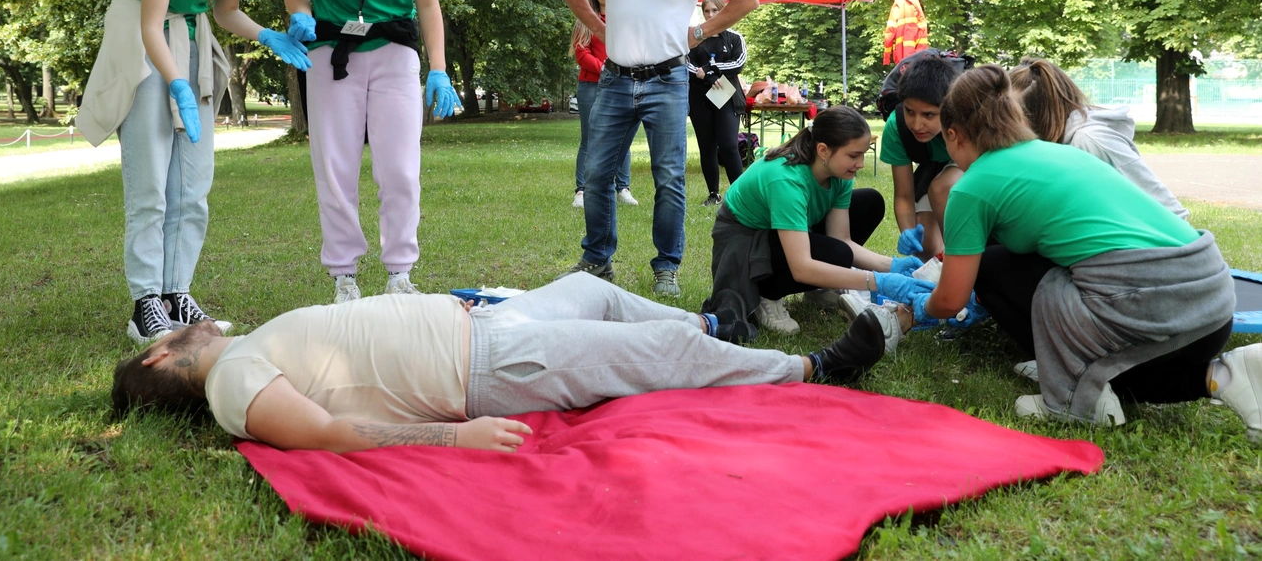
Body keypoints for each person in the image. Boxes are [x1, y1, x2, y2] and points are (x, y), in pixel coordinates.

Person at [110, 273, 891, 451]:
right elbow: (324, 434)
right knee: (663, 353)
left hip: (484, 324)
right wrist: (456, 439)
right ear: (163, 353)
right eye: (183, 324)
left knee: (594, 289)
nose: (197, 317)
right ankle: (815, 371)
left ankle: (712, 326)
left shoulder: (238, 351)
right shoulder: (231, 383)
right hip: (489, 365)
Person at [912, 65, 1259, 439]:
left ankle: (1073, 393)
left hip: (1156, 311)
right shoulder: (1059, 152)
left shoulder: (972, 186)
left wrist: (917, 307)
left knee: (994, 271)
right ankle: (1228, 375)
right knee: (1117, 379)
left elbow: (950, 299)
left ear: (952, 134)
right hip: (1211, 301)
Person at [78, 0, 312, 345]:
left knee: (193, 183)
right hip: (140, 36)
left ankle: (176, 295)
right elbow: (149, 23)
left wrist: (268, 35)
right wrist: (175, 82)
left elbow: (227, 13)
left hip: (190, 34)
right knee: (151, 184)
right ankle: (146, 303)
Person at [556, 0, 759, 297]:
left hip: (668, 79)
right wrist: (598, 25)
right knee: (596, 174)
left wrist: (701, 32)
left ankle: (667, 265)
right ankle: (597, 260)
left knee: (669, 178)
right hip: (614, 79)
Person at [284, 0, 461, 304]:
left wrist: (438, 69)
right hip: (331, 52)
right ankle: (344, 275)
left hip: (393, 51)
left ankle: (400, 272)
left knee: (401, 169)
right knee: (335, 166)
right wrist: (299, 15)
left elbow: (427, 3)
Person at [703, 106, 932, 339]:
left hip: (779, 234)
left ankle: (818, 289)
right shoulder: (786, 179)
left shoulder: (837, 172)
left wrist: (892, 266)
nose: (861, 163)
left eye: (863, 154)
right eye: (854, 155)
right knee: (838, 255)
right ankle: (766, 293)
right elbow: (802, 267)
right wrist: (878, 282)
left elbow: (841, 239)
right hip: (746, 243)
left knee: (869, 203)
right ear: (823, 150)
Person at [1008, 58, 1188, 219]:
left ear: (1040, 115)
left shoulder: (1090, 140)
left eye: (1012, 114)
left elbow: (1169, 210)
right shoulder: (1054, 146)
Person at [879, 55, 964, 259]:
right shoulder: (896, 126)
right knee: (924, 244)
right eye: (910, 111)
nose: (916, 125)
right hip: (933, 165)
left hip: (969, 162)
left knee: (941, 188)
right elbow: (904, 195)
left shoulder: (967, 119)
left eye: (929, 115)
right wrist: (908, 232)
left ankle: (959, 262)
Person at [570, 0, 637, 209]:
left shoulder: (625, 20)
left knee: (623, 138)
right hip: (591, 86)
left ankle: (623, 188)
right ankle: (582, 190)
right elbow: (581, 53)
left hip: (622, 85)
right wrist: (604, 69)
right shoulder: (586, 20)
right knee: (590, 139)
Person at [687, 0, 748, 208]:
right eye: (707, 10)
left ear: (723, 10)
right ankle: (713, 194)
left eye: (715, 10)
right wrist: (705, 73)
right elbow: (688, 65)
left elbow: (738, 64)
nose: (711, 14)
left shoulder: (734, 38)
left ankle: (740, 195)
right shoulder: (694, 37)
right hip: (699, 98)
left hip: (727, 95)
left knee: (729, 145)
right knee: (707, 147)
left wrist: (710, 69)